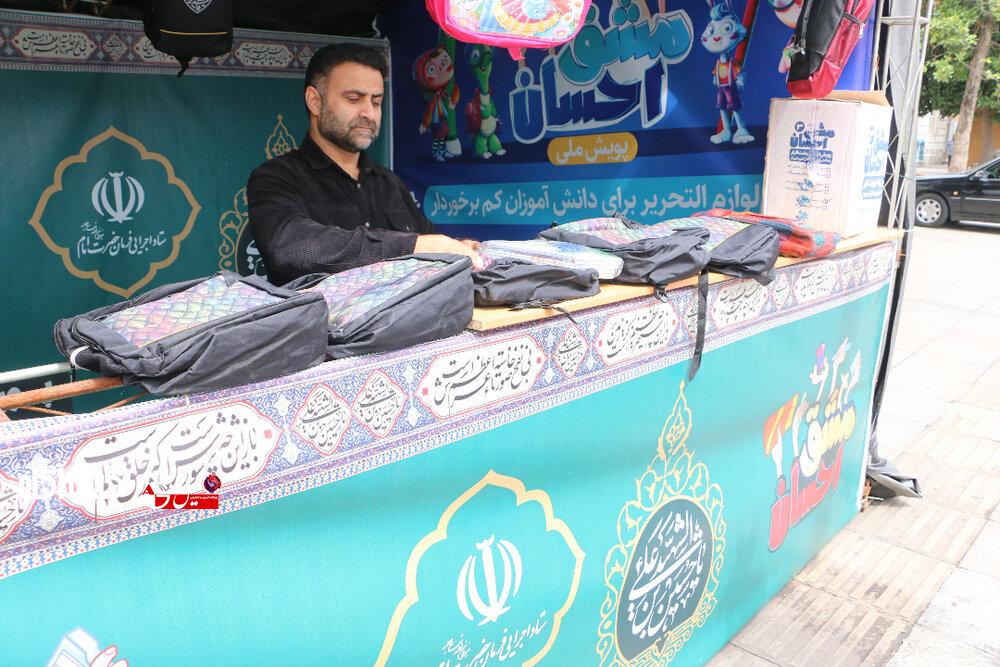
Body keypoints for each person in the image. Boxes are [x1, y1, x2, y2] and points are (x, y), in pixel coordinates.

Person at [247, 43, 480, 286]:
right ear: (314, 101)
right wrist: (412, 246)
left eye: (376, 102)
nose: (368, 113)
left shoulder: (390, 183)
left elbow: (430, 248)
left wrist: (455, 248)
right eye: (354, 99)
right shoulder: (276, 178)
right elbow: (291, 248)